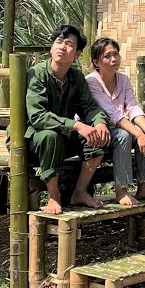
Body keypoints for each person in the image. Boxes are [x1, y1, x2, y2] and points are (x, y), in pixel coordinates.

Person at [26, 24, 111, 214]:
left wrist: (99, 122)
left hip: (64, 136)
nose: (62, 47)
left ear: (78, 54)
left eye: (69, 44)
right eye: (58, 42)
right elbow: (38, 117)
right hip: (34, 139)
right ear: (51, 47)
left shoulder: (76, 77)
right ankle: (53, 196)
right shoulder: (36, 74)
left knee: (96, 139)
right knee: (50, 136)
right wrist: (77, 125)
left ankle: (80, 192)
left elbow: (89, 106)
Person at [86, 36, 145, 205]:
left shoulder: (123, 79)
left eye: (116, 54)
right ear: (96, 62)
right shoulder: (91, 81)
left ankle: (144, 187)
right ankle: (121, 190)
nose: (114, 59)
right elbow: (112, 113)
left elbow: (133, 107)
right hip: (100, 127)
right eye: (107, 56)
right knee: (123, 135)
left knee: (141, 134)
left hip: (121, 124)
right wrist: (138, 133)